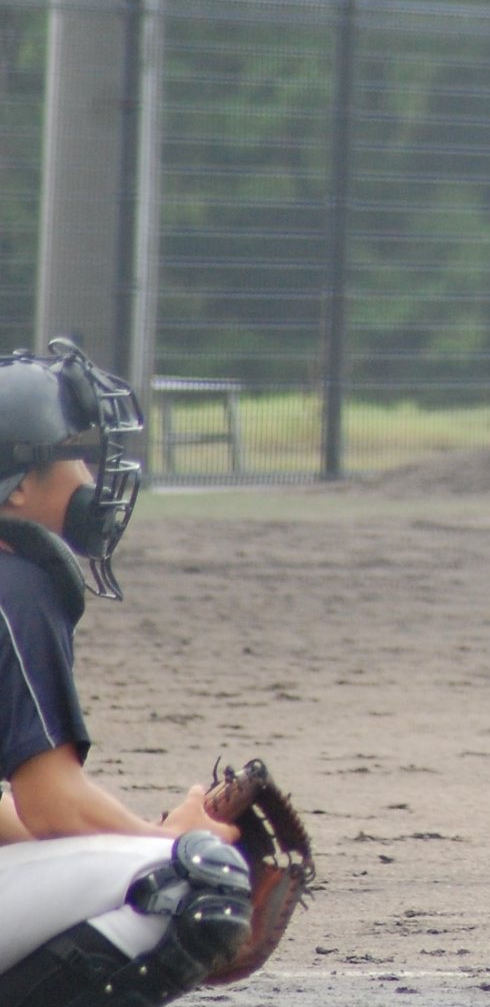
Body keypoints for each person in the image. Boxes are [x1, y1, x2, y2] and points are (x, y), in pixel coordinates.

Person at [0, 340, 257, 1004]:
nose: (89, 476)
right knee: (196, 882)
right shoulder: (15, 586)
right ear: (19, 484)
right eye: (74, 455)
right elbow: (51, 803)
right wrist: (172, 841)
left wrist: (140, 836)